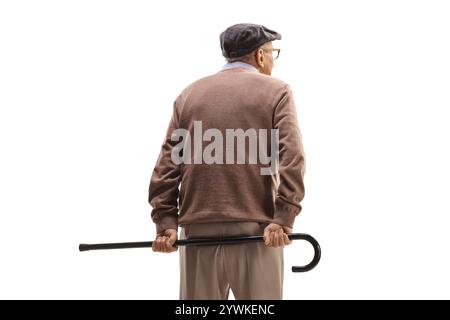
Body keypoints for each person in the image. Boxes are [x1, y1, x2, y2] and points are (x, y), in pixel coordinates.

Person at [148, 23, 306, 299]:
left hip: (197, 231)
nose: (272, 61)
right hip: (257, 230)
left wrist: (166, 223)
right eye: (273, 53)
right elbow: (291, 156)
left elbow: (168, 165)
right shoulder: (276, 91)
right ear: (259, 56)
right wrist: (284, 217)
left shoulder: (189, 95)